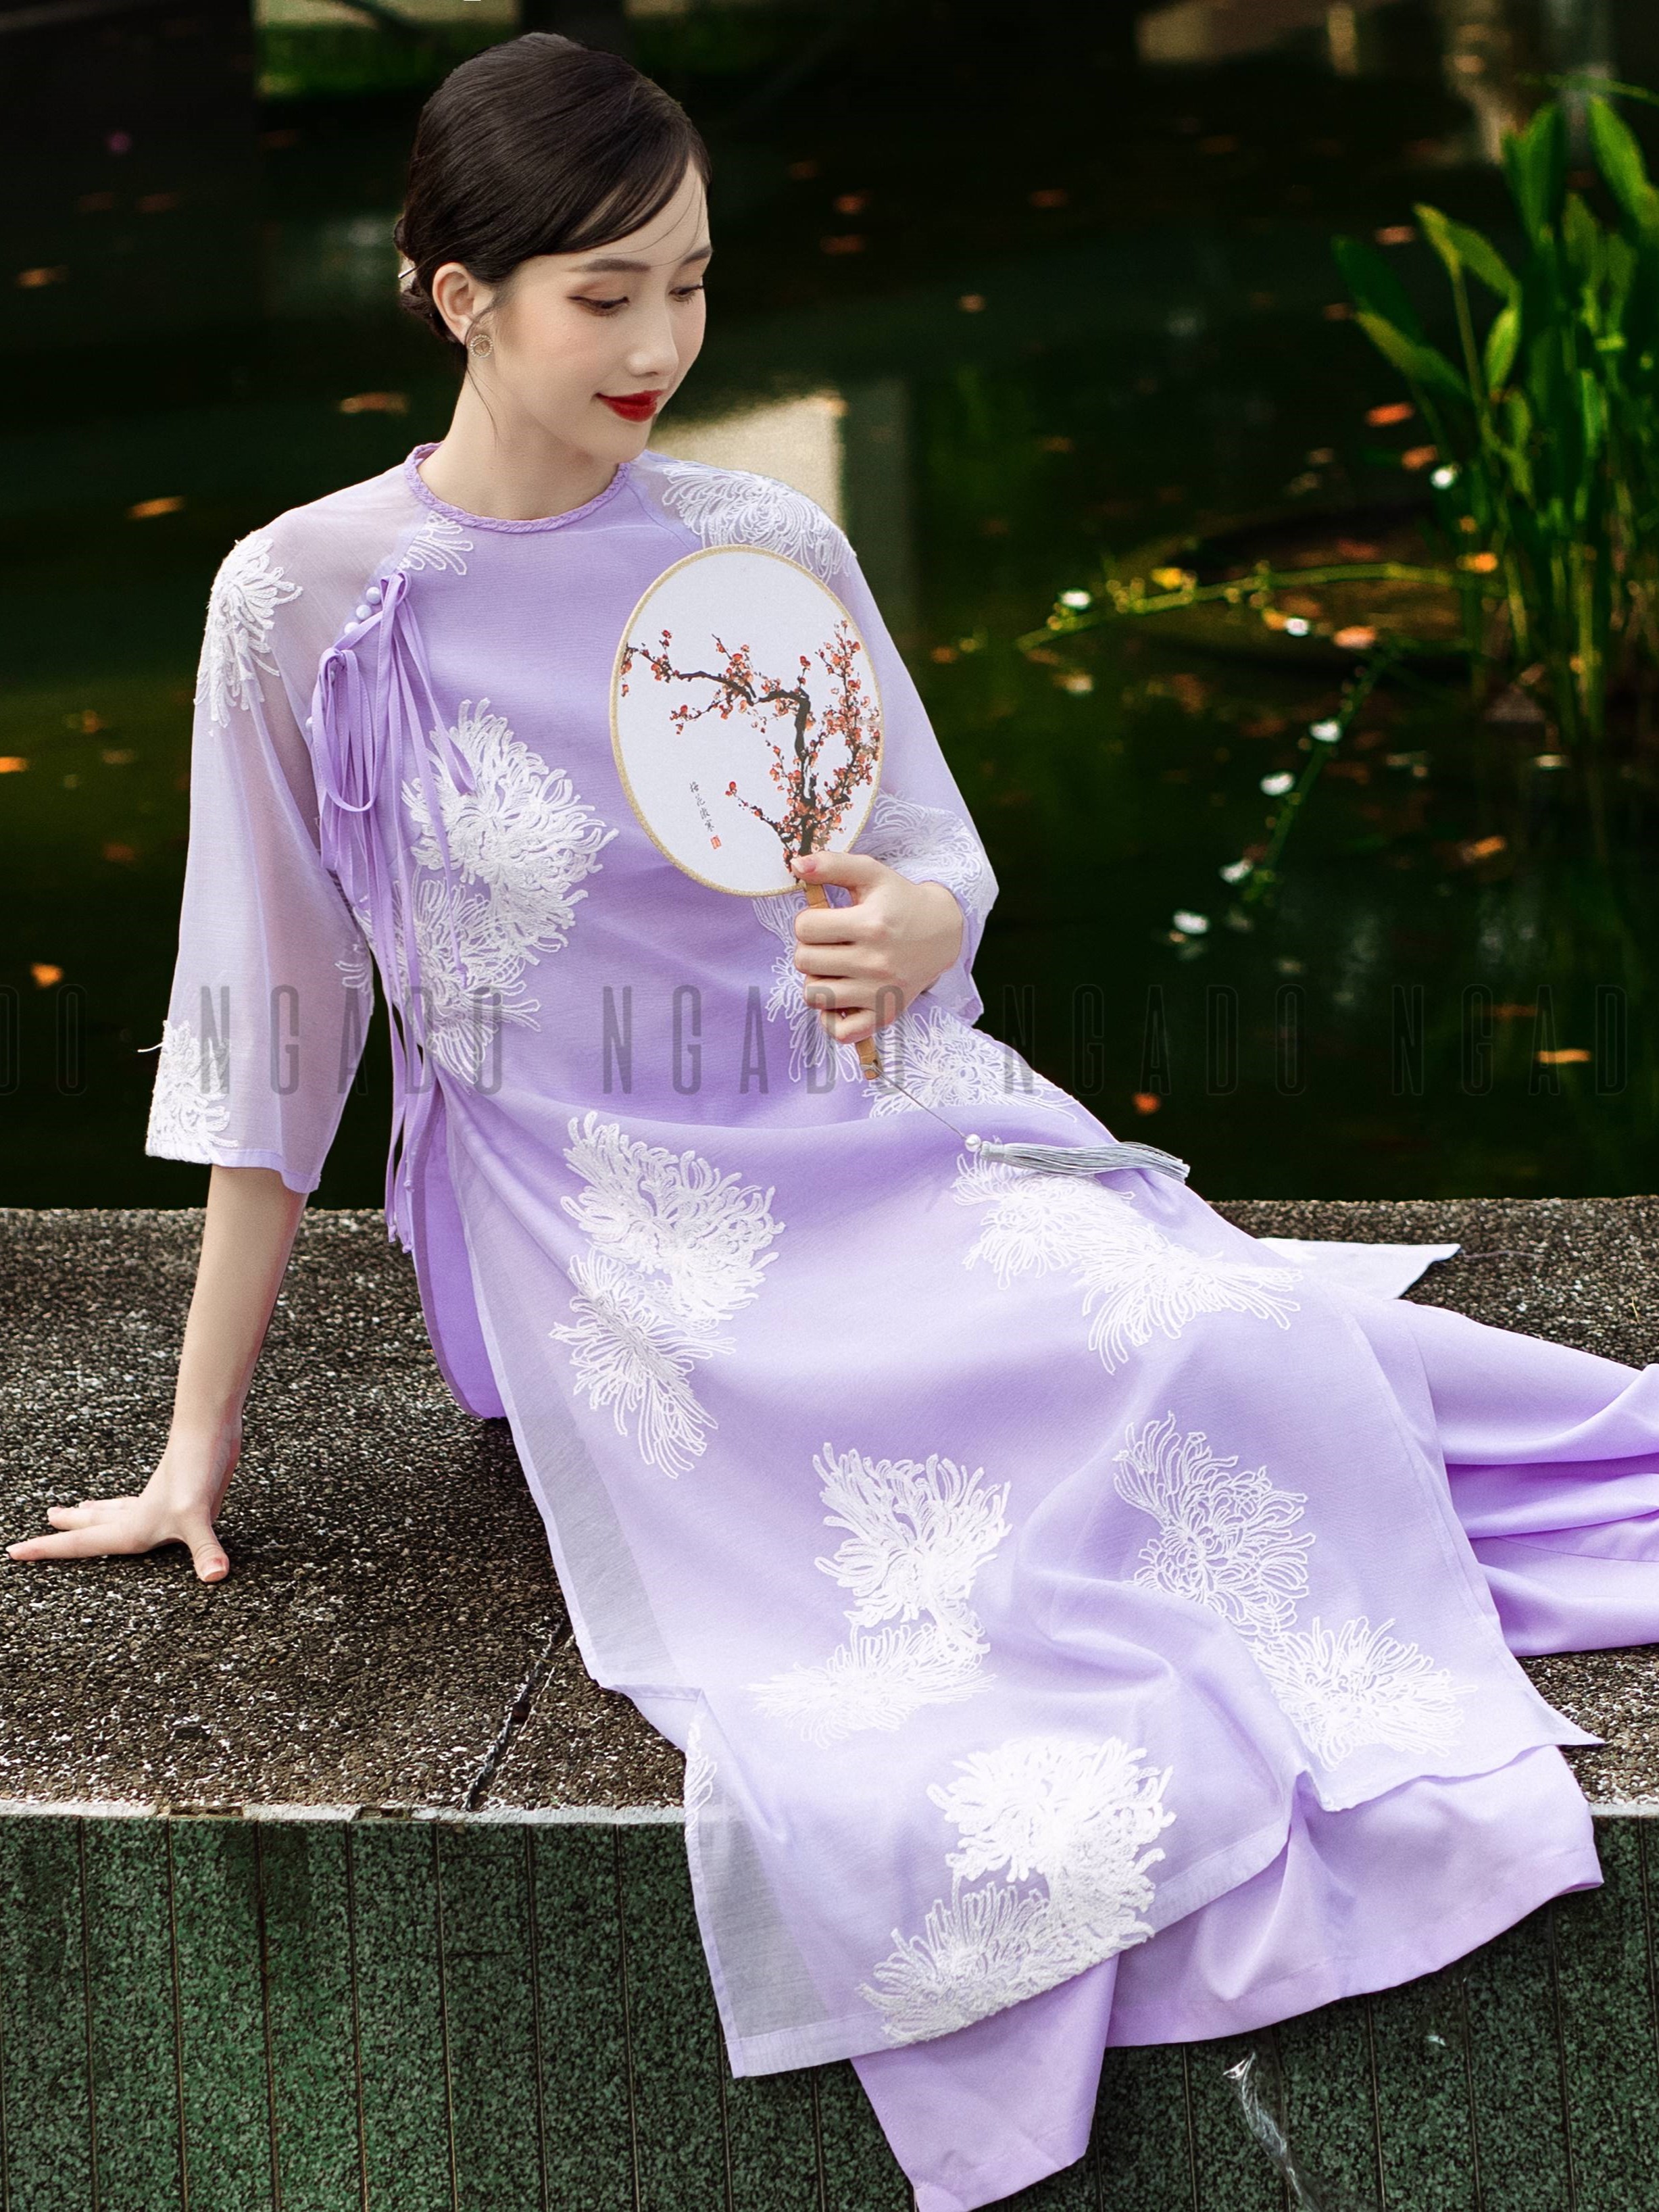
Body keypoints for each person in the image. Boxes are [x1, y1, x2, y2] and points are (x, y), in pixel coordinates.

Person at [10, 34, 1659, 2212]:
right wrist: (190, 1453)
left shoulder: (759, 544)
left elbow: (938, 862)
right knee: (885, 1659)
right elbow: (274, 1041)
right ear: (458, 295)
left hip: (882, 1124)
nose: (663, 344)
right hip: (609, 1222)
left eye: (694, 282)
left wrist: (910, 926)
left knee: (1230, 1343)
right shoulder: (305, 598)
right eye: (606, 294)